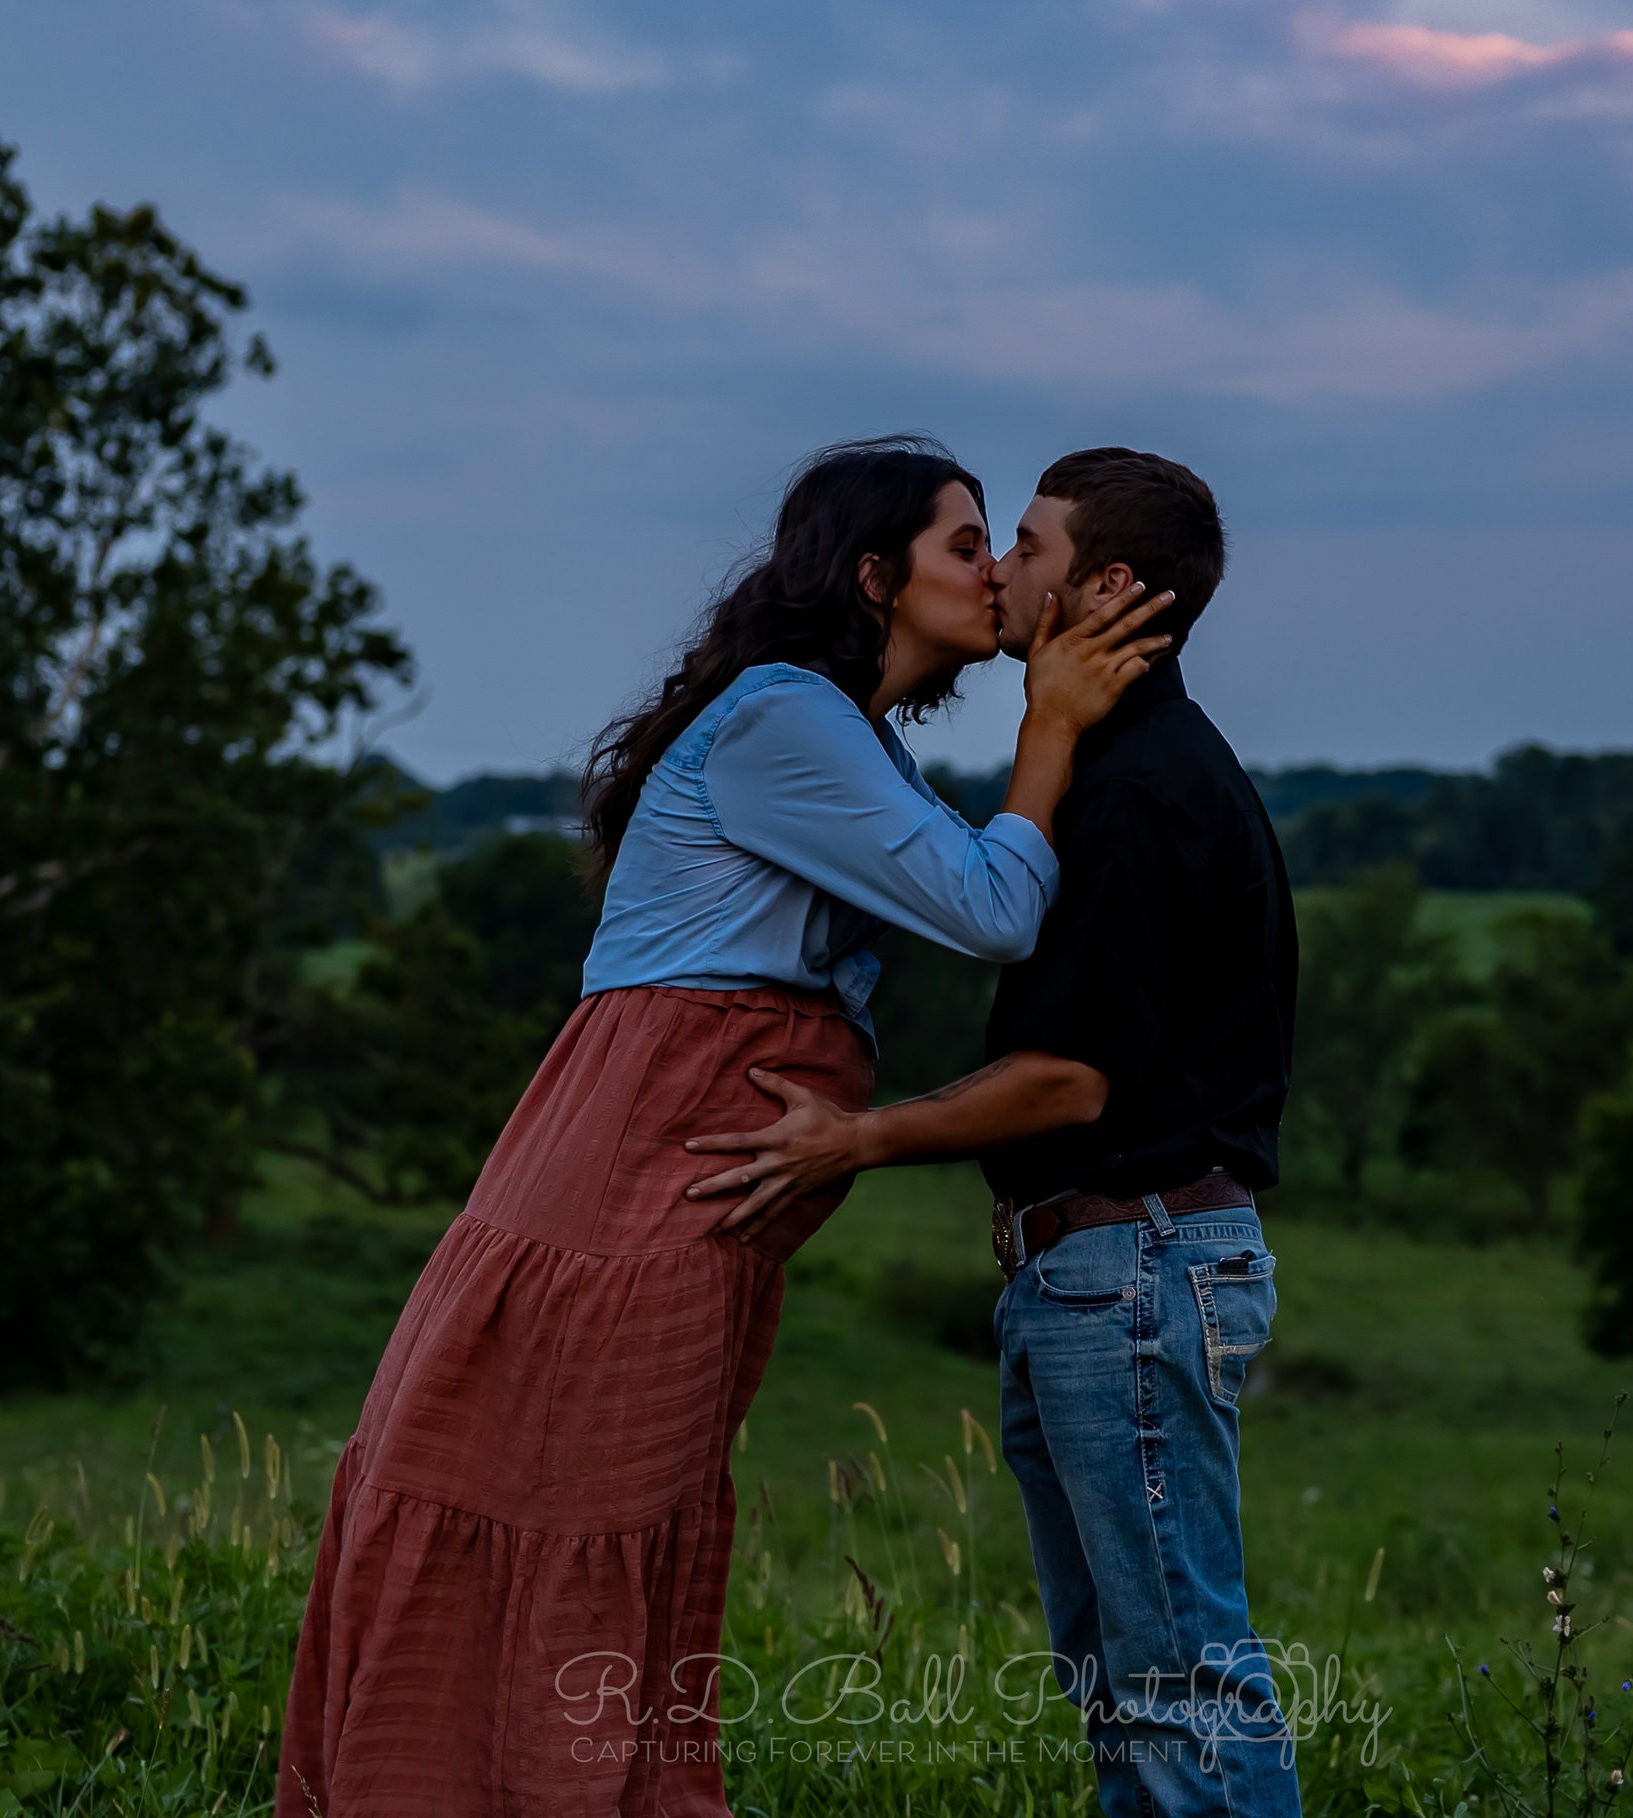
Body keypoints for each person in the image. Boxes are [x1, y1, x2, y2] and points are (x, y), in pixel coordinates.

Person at [275, 436, 1175, 1818]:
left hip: (677, 1171)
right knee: (577, 1489)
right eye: (961, 544)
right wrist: (1047, 728)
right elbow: (995, 909)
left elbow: (975, 887)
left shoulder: (848, 737)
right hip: (635, 1163)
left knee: (638, 1498)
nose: (993, 573)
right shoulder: (781, 716)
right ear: (874, 577)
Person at [689, 448, 1302, 1817]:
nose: (1002, 571)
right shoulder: (1109, 768)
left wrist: (856, 1139)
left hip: (1130, 1258)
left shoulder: (1138, 792)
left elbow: (1066, 1081)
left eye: (1026, 545)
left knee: (1177, 1679)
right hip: (1102, 1267)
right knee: (1125, 1676)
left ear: (1111, 586)